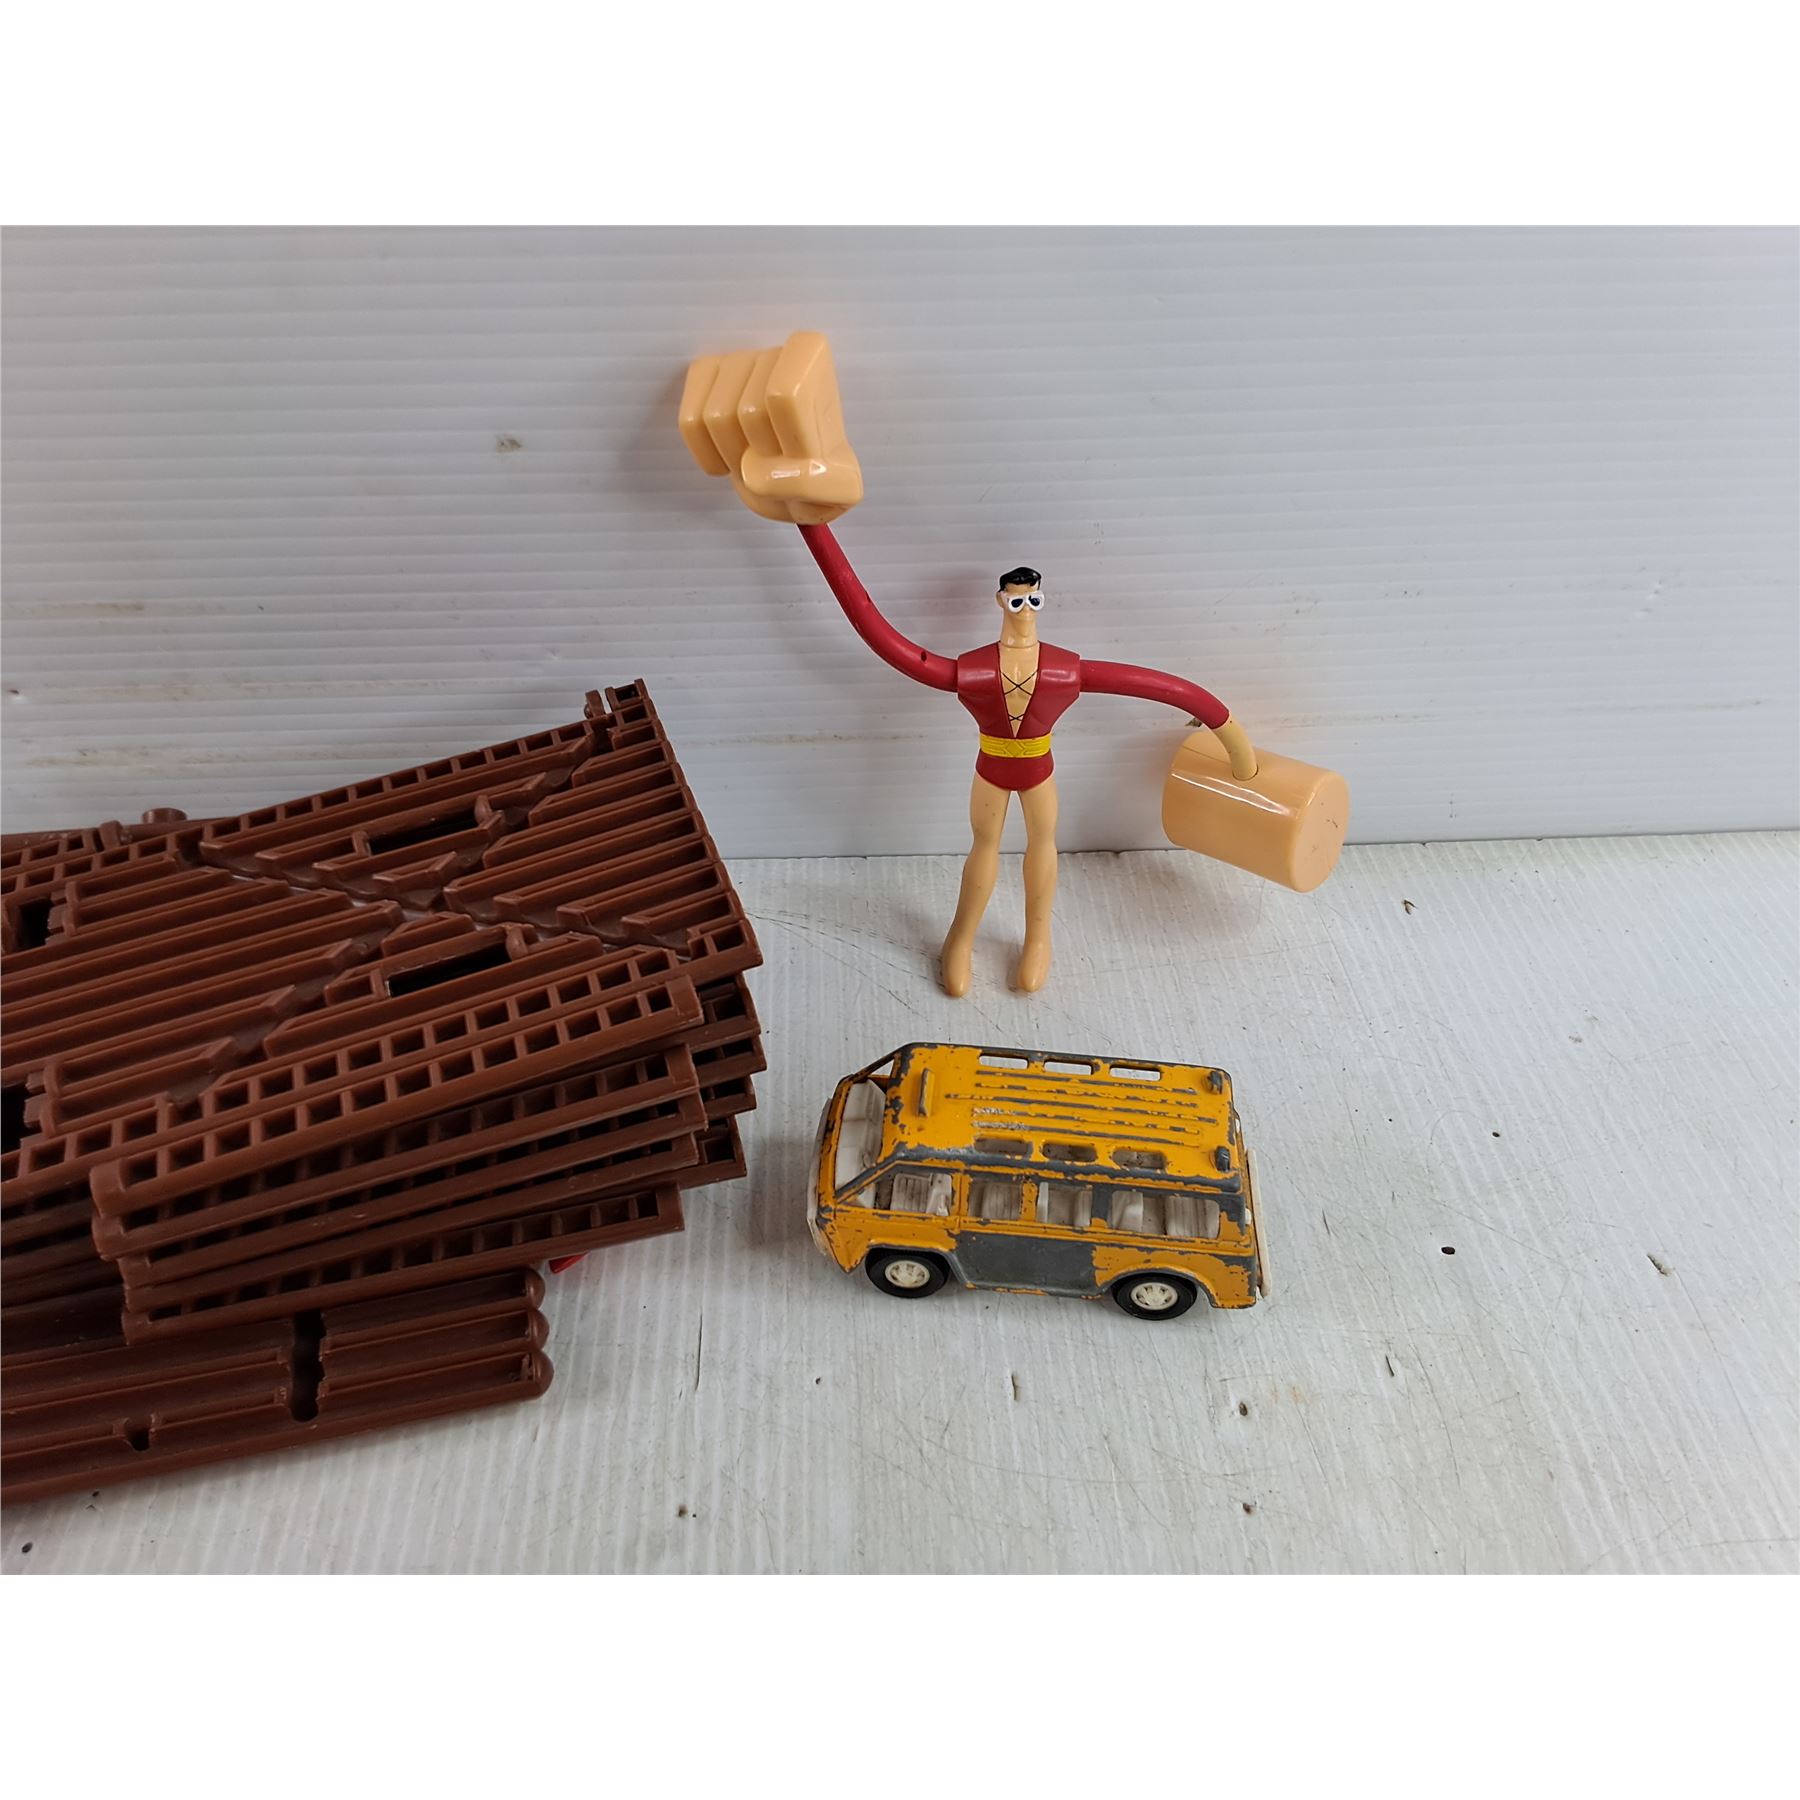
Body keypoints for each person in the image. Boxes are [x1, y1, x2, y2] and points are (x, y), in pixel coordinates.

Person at [796, 527, 1254, 995]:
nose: (1026, 610)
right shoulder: (975, 667)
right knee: (984, 847)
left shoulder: (1062, 667)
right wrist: (814, 528)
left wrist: (1226, 731)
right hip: (991, 771)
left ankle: (1037, 938)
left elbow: (1156, 686)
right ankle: (960, 937)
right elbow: (882, 635)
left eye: (1034, 600)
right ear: (1001, 601)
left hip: (1038, 772)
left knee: (1042, 845)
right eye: (1017, 601)